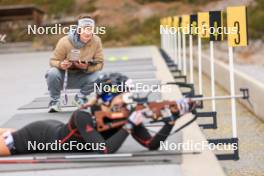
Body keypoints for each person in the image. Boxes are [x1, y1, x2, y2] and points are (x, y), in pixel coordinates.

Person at [0, 73, 194, 156]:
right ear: (108, 97)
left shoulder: (125, 114)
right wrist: (129, 125)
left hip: (53, 129)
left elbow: (151, 145)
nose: (128, 99)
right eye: (123, 95)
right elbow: (104, 150)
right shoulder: (83, 115)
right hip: (36, 137)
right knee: (8, 141)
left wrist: (172, 120)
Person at [46, 15, 104, 113]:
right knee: (52, 72)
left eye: (90, 29)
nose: (88, 33)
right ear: (78, 30)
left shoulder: (96, 40)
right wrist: (61, 64)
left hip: (83, 76)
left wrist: (87, 67)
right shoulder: (64, 41)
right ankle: (54, 102)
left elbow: (100, 64)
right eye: (85, 29)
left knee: (100, 76)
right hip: (64, 76)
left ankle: (80, 98)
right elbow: (52, 61)